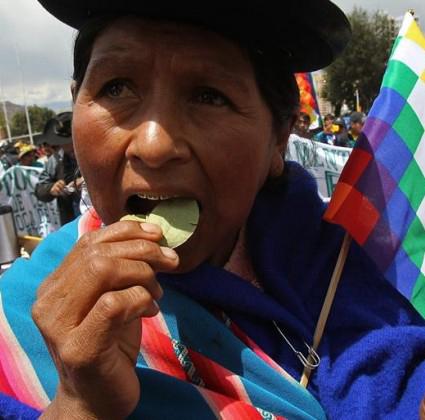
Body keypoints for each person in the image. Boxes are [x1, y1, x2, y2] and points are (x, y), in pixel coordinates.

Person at [0, 2, 424, 420]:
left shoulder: (338, 275)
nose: (153, 145)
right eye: (116, 88)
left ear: (278, 138)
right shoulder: (17, 316)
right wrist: (78, 405)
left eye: (208, 96)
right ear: (77, 102)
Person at [34, 112, 82, 225]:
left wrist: (86, 182)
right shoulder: (55, 160)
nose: (70, 148)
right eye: (64, 143)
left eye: (73, 142)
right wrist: (51, 189)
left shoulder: (97, 152)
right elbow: (39, 189)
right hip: (71, 220)